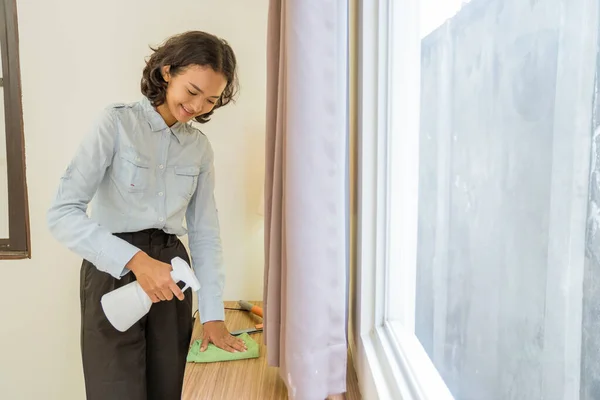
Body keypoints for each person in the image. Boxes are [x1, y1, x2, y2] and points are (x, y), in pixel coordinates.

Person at [47, 31, 247, 400]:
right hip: (113, 270)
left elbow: (204, 232)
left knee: (168, 390)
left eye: (211, 100)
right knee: (115, 391)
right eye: (192, 90)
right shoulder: (116, 123)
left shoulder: (199, 149)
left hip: (174, 277)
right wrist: (137, 261)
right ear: (168, 71)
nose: (199, 105)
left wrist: (213, 314)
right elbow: (62, 213)